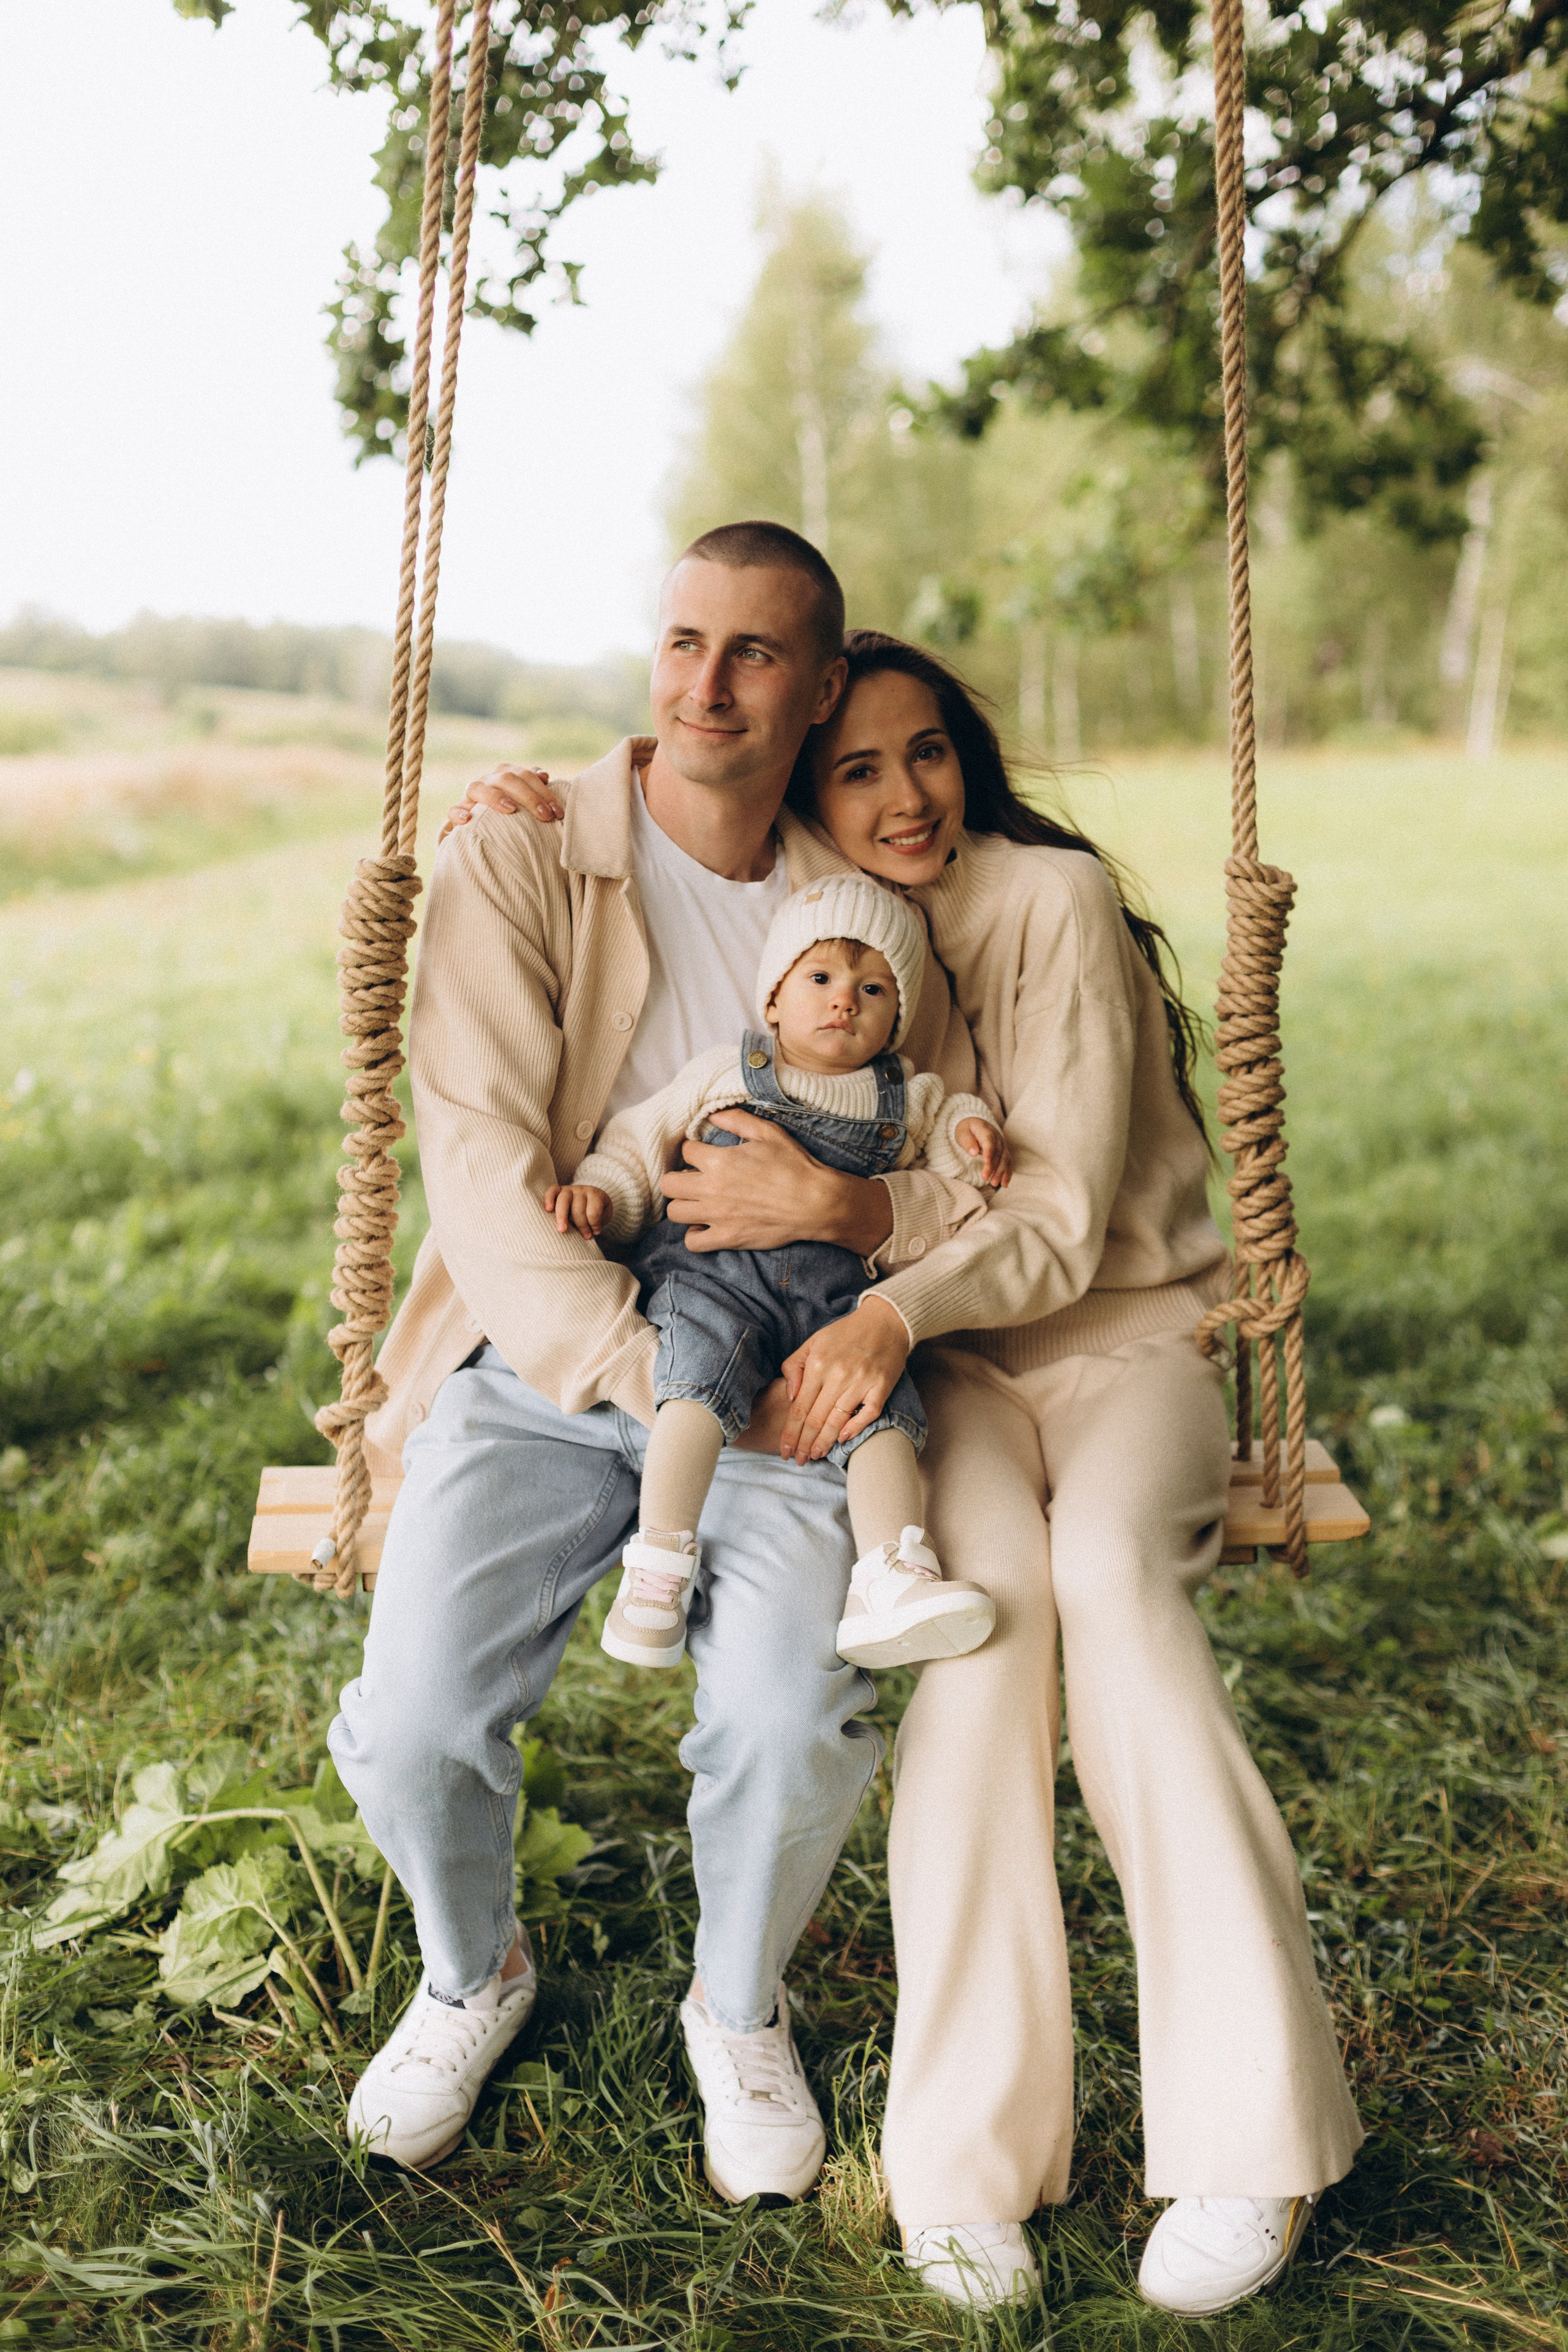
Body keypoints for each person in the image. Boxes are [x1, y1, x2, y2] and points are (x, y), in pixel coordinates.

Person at [456, 628, 1363, 2318]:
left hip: (1122, 1345)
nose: (903, 795)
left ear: (970, 756)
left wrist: (866, 1247)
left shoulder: (1047, 901)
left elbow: (1063, 1220)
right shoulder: (834, 928)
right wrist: (524, 807)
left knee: (1109, 1585)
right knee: (976, 1627)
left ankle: (1250, 2133)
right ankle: (962, 2160)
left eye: (926, 750)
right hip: (951, 1378)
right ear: (814, 793)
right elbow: (677, 805)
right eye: (857, 768)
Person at [328, 524, 990, 2214]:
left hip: (788, 1371)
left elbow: (961, 1157)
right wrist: (650, 1372)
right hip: (556, 1346)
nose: (708, 686)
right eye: (684, 642)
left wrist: (853, 1221)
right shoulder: (526, 852)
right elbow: (480, 1164)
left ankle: (736, 2007)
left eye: (755, 652)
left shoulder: (870, 907)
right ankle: (472, 1972)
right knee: (412, 1722)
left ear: (819, 688)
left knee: (788, 1713)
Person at [547, 874, 1004, 1674]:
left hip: (836, 1306)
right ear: (774, 1000)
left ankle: (891, 1574)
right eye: (820, 978)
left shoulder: (909, 1096)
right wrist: (604, 1197)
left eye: (873, 989)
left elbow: (953, 1155)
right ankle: (658, 1570)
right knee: (692, 1386)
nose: (844, 1002)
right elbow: (637, 1145)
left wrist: (973, 1131)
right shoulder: (725, 1073)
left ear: (897, 1016)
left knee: (880, 1412)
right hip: (716, 1283)